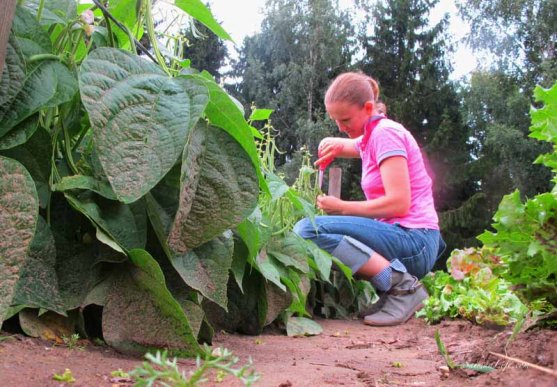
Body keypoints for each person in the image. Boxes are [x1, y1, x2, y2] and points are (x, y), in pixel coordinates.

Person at [293, 72, 445, 326]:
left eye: (345, 119)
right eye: (335, 120)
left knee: (307, 229)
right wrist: (336, 144)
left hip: (414, 239)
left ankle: (403, 288)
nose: (341, 127)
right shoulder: (372, 135)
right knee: (324, 233)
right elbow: (355, 145)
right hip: (408, 238)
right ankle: (392, 291)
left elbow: (399, 203)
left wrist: (342, 208)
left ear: (367, 108)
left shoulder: (386, 134)